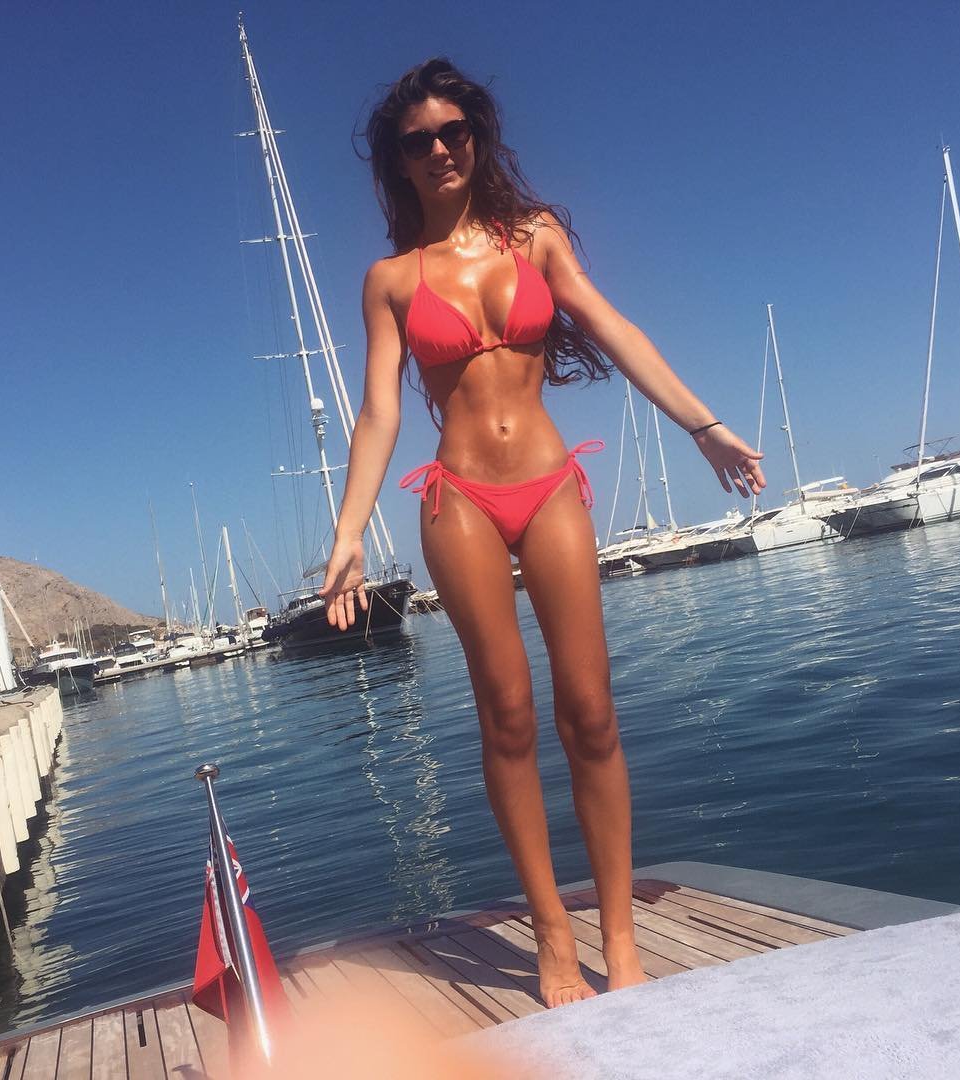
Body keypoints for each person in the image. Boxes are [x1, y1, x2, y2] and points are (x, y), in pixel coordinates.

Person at [320, 58, 765, 1007]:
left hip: (551, 484)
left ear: (476, 138)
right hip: (460, 501)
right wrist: (349, 531)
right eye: (418, 141)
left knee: (591, 713)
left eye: (453, 132)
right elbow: (379, 412)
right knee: (509, 715)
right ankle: (553, 934)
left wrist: (704, 425)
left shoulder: (537, 237)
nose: (439, 150)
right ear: (398, 162)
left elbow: (615, 328)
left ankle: (620, 936)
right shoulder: (390, 281)